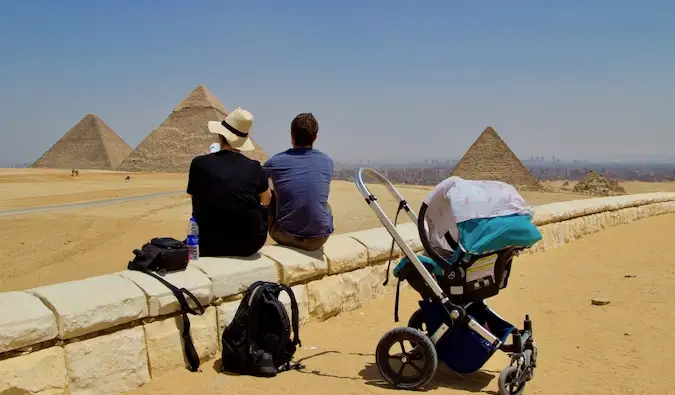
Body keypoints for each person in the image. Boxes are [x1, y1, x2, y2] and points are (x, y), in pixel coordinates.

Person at [186, 107, 271, 257]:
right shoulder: (255, 167)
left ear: (220, 135)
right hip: (249, 244)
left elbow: (194, 197)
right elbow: (266, 200)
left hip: (206, 244)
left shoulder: (199, 164)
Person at [263, 113, 334, 251]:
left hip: (286, 236)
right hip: (320, 239)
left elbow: (257, 180)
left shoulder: (275, 162)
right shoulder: (327, 161)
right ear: (315, 137)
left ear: (291, 136)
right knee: (326, 206)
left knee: (269, 194)